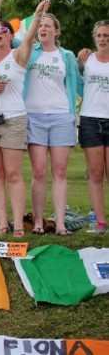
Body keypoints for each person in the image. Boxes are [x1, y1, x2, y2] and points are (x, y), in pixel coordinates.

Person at [0, 0, 49, 237]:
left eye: (4, 30)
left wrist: (37, 13)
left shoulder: (18, 55)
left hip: (13, 120)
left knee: (12, 174)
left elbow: (30, 35)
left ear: (11, 36)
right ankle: (3, 223)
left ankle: (18, 225)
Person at [24, 11, 81, 236]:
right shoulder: (30, 51)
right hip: (34, 116)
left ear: (57, 31)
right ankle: (38, 221)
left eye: (48, 25)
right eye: (41, 25)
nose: (43, 28)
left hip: (61, 117)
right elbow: (10, 39)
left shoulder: (66, 56)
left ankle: (60, 224)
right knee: (39, 171)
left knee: (60, 170)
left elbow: (78, 84)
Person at [76, 20, 109, 234]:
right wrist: (80, 58)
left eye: (106, 35)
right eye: (99, 35)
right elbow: (74, 79)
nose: (103, 39)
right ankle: (100, 223)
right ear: (94, 37)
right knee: (96, 174)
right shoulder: (86, 60)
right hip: (90, 120)